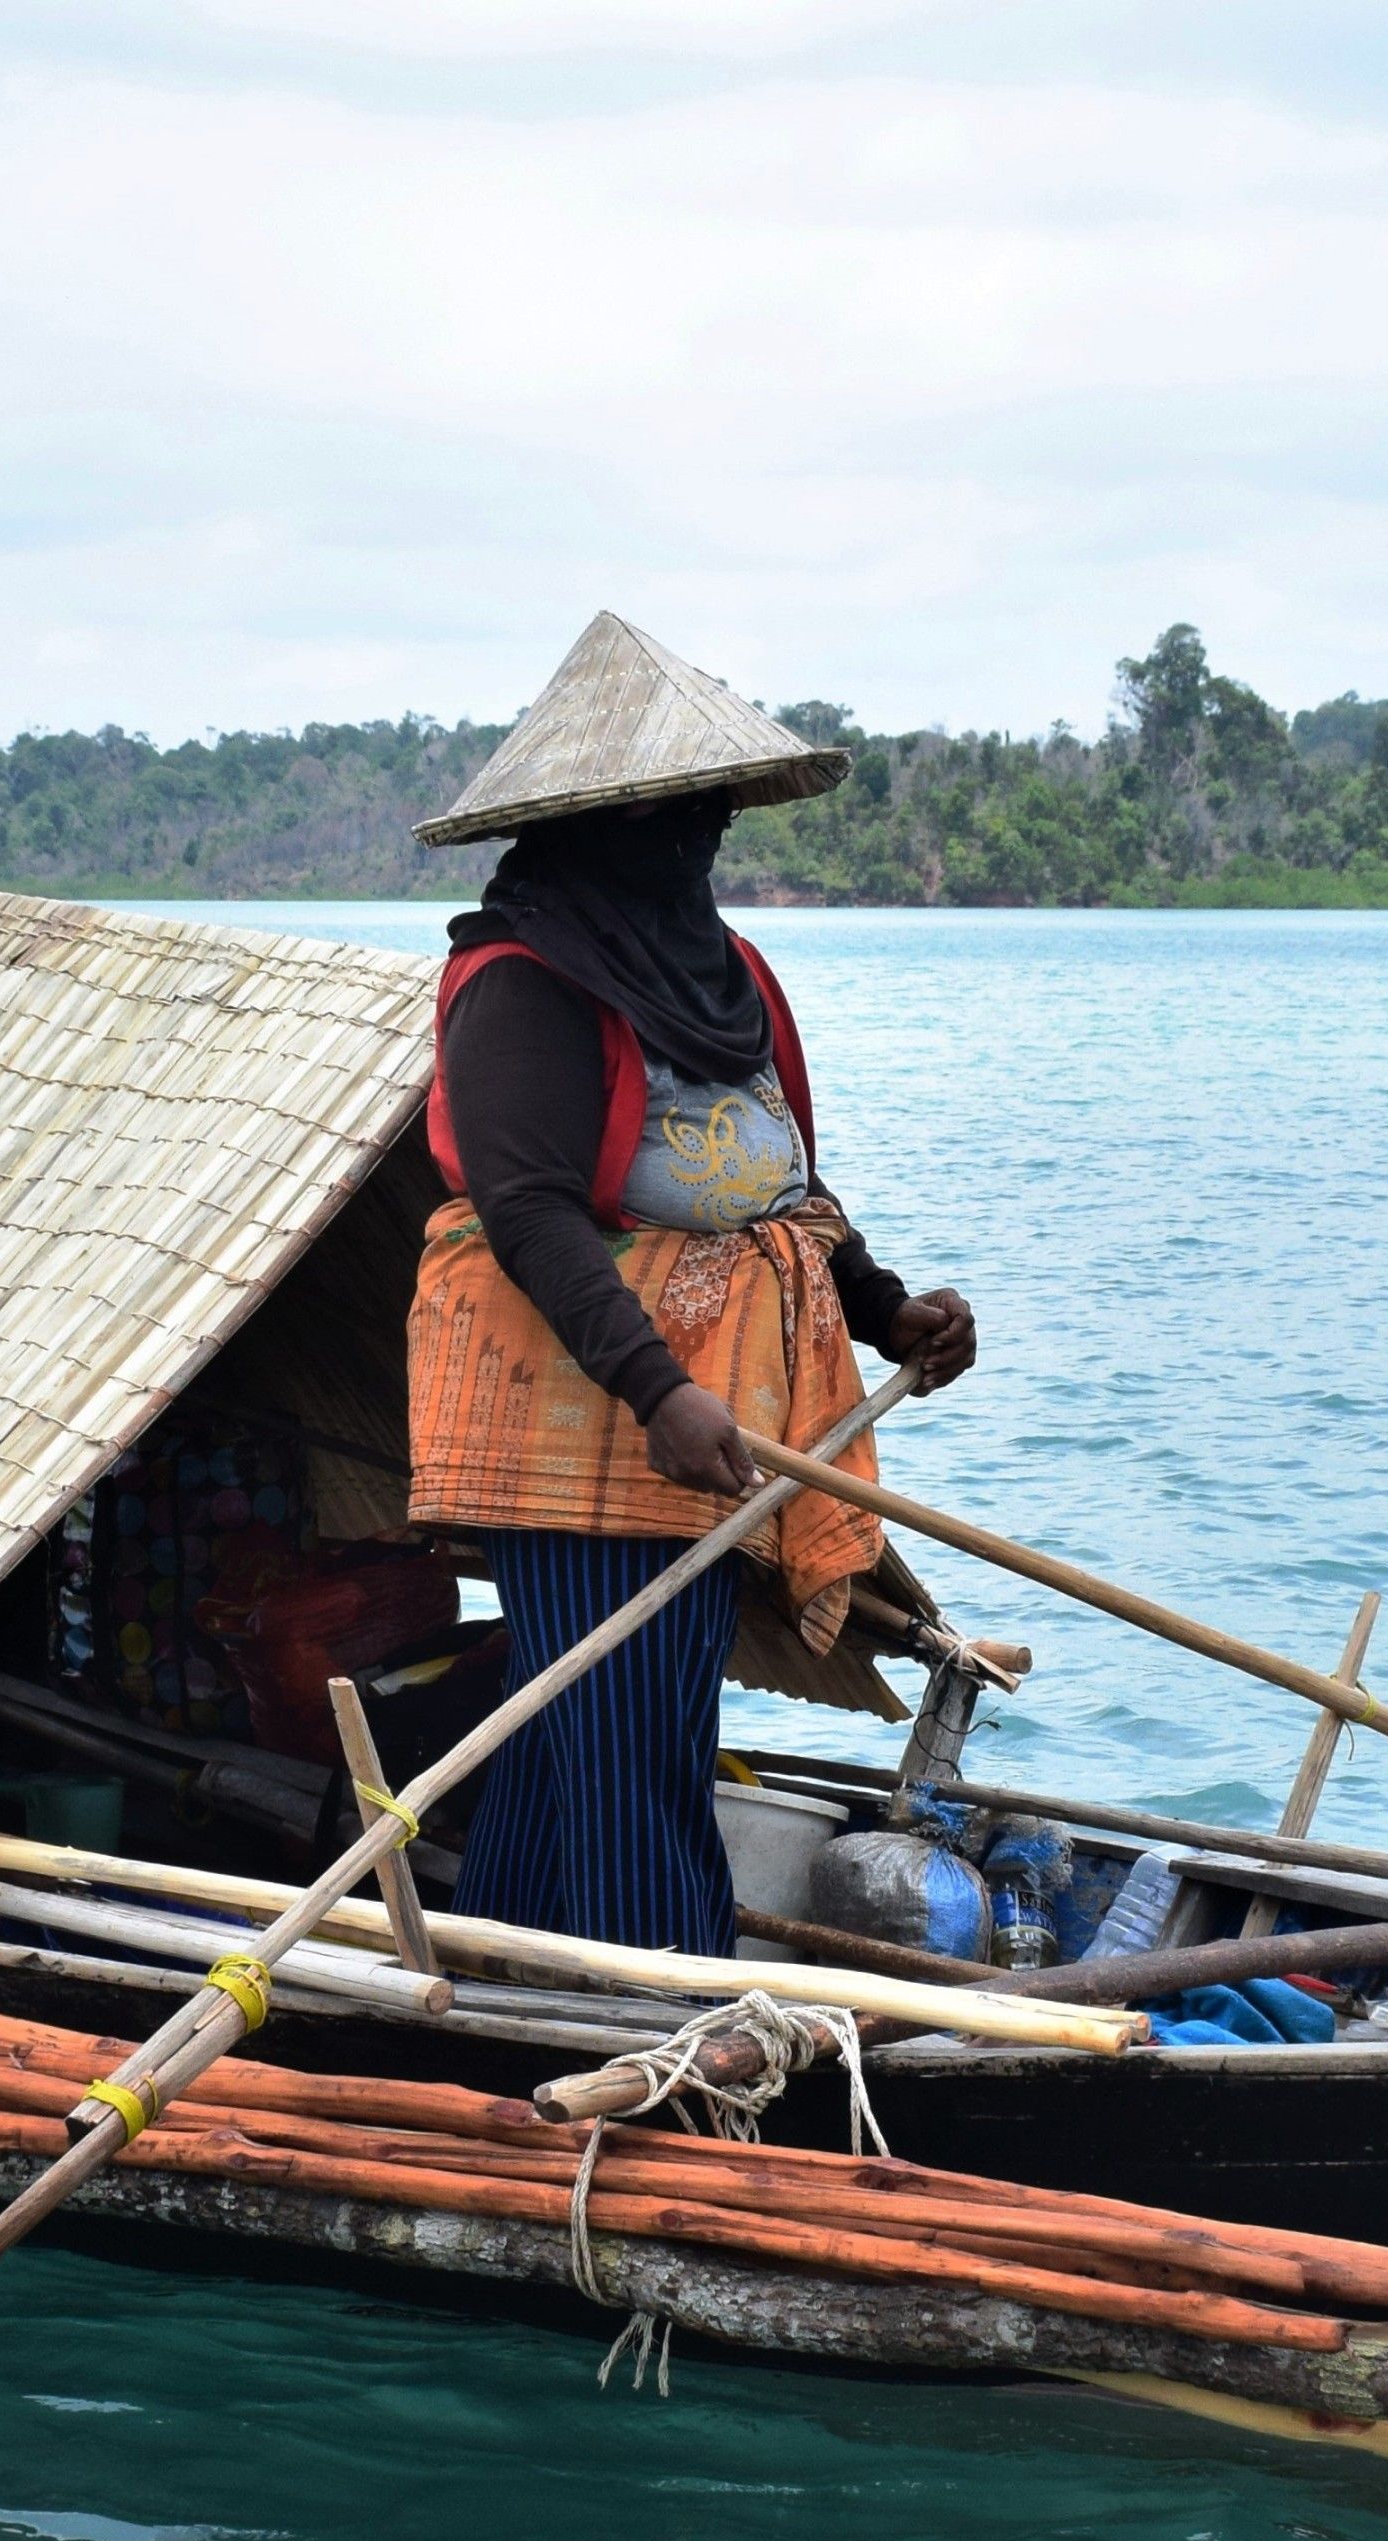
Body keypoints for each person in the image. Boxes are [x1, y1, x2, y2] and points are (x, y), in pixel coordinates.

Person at [402, 612, 979, 1953]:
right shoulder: (519, 984)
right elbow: (529, 1212)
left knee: (590, 1730)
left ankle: (509, 1979)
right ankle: (669, 2011)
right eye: (680, 821)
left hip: (708, 1405)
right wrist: (655, 1385)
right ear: (600, 830)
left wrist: (880, 1303)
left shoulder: (723, 975)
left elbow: (771, 1183)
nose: (700, 849)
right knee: (628, 1741)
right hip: (577, 1407)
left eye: (710, 819)